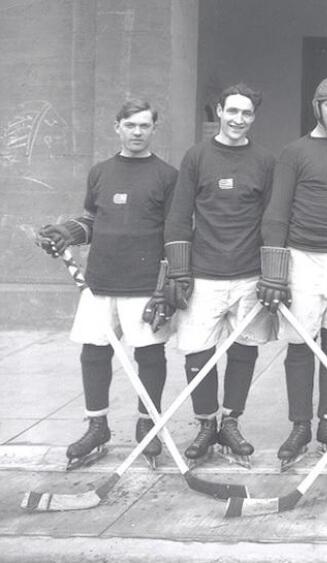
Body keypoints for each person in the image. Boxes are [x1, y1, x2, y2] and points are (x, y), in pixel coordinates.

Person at [39, 99, 178, 470]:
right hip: (100, 281)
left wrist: (165, 285)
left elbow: (173, 232)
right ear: (117, 127)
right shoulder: (100, 172)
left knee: (149, 355)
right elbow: (92, 221)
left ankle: (148, 424)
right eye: (130, 125)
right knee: (94, 352)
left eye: (144, 126)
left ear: (154, 129)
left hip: (143, 283)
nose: (137, 132)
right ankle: (97, 426)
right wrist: (68, 232)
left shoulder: (167, 175)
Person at [164, 84, 275, 469]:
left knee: (244, 348)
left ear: (253, 118)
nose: (238, 119)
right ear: (220, 111)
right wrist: (179, 270)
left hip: (248, 272)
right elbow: (179, 215)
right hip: (205, 271)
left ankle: (230, 423)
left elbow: (272, 219)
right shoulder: (197, 156)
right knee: (198, 350)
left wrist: (272, 273)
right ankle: (205, 424)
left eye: (246, 113)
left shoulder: (264, 160)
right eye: (232, 111)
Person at [260, 76, 327, 471]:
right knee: (301, 344)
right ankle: (300, 426)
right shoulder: (295, 152)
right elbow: (277, 212)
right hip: (305, 258)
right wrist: (274, 271)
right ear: (317, 108)